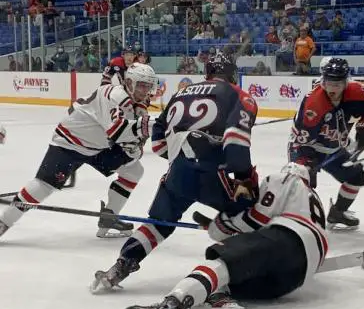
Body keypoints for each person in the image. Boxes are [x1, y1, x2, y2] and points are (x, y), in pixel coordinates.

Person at [90, 54, 259, 293]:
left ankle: (120, 267)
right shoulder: (239, 95)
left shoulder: (182, 93)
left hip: (178, 171)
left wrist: (185, 158)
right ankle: (245, 273)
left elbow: (158, 143)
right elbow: (236, 142)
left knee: (158, 224)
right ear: (232, 74)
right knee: (249, 217)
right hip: (212, 170)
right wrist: (242, 177)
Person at [117, 163, 328, 309]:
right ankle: (217, 297)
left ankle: (171, 305)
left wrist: (223, 224)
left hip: (287, 237)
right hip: (297, 276)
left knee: (221, 261)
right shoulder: (312, 200)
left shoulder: (285, 179)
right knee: (240, 274)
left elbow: (257, 218)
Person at [0, 63, 158, 239]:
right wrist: (148, 126)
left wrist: (135, 140)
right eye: (142, 85)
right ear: (129, 82)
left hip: (98, 146)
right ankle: (4, 221)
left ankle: (109, 216)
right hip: (70, 142)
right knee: (44, 185)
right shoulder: (117, 96)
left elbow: (125, 134)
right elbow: (117, 132)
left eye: (149, 86)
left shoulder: (133, 100)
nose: (145, 90)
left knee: (134, 171)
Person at [288, 58, 364, 229]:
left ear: (346, 82)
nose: (332, 89)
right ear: (323, 80)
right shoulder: (314, 104)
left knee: (357, 177)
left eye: (337, 84)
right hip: (307, 147)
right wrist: (309, 164)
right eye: (329, 83)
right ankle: (293, 223)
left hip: (334, 149)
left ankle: (337, 212)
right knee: (301, 185)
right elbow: (302, 141)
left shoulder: (357, 92)